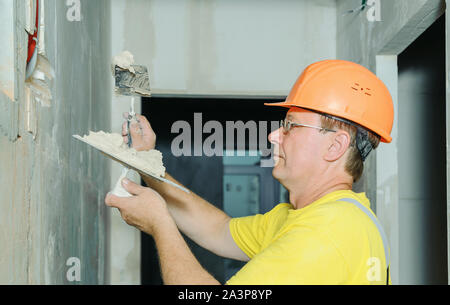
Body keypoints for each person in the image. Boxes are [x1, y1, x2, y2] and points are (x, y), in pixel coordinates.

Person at [105, 59, 394, 285]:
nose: (274, 136)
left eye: (291, 125)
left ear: (335, 145)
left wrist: (160, 225)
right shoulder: (318, 216)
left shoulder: (327, 232)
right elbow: (218, 231)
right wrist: (147, 163)